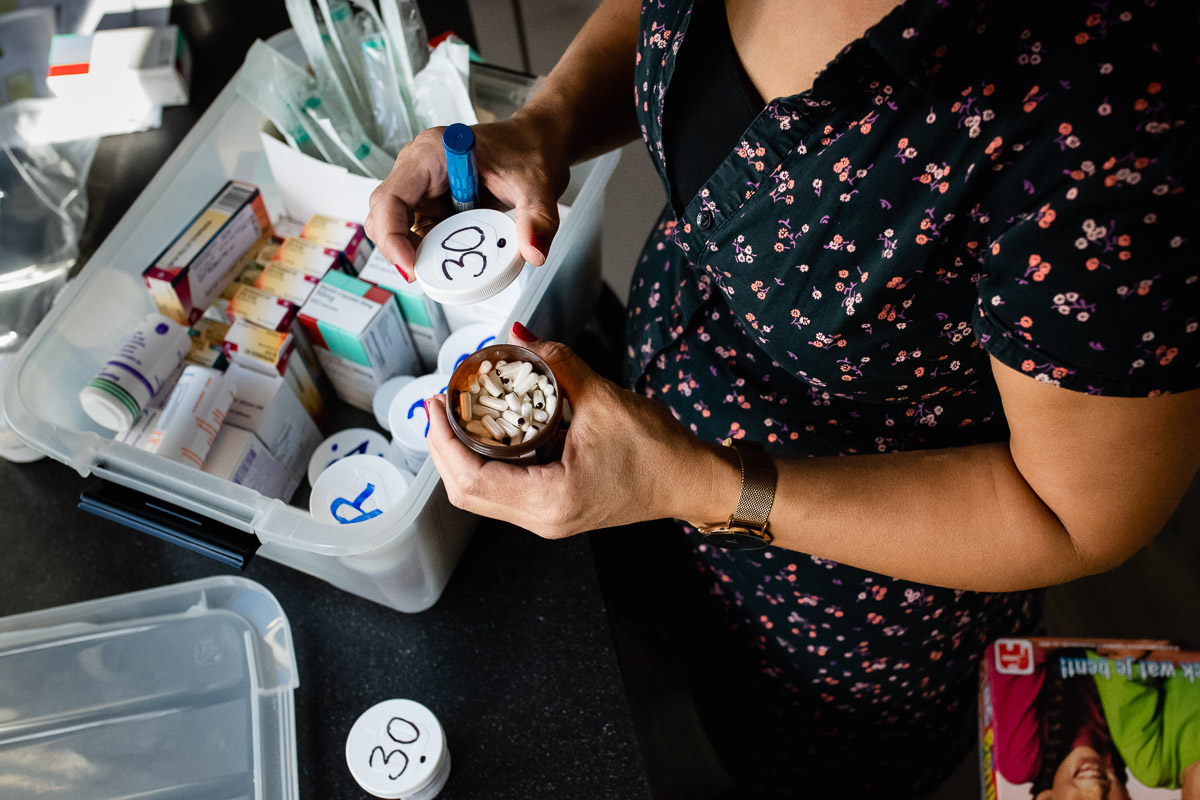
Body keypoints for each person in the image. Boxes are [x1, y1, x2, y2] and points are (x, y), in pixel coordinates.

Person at [366, 0, 1200, 794]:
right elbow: (672, 29)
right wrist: (546, 122)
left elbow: (1070, 513)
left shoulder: (1116, 117)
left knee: (795, 765)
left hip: (848, 593)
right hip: (659, 409)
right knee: (667, 631)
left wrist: (694, 486)